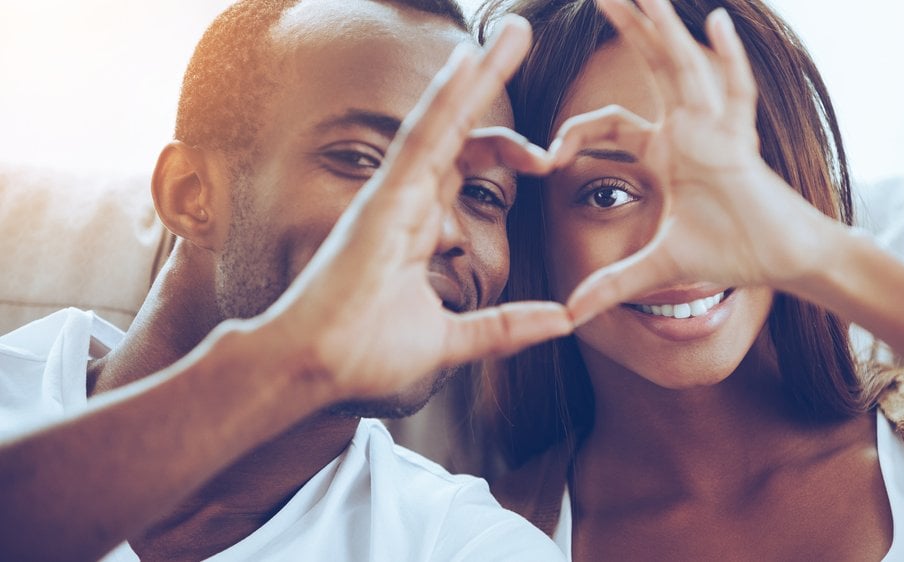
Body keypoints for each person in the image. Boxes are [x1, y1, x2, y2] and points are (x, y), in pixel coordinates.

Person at [0, 0, 574, 560]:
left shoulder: (463, 542)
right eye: (363, 160)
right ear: (191, 194)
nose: (442, 227)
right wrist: (275, 371)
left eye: (480, 194)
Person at [476, 0, 904, 559]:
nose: (678, 241)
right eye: (607, 194)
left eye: (721, 183)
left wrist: (819, 254)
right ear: (530, 229)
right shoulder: (481, 532)